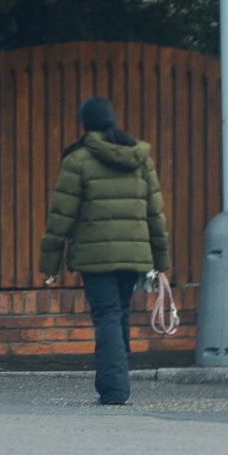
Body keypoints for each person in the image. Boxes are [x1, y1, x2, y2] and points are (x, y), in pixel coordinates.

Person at [39, 97, 170, 405]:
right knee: (120, 312)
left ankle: (114, 389)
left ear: (84, 124)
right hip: (135, 256)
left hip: (94, 258)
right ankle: (115, 381)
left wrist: (50, 263)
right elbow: (156, 215)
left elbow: (61, 216)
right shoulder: (140, 158)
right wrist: (161, 261)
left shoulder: (78, 160)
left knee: (107, 315)